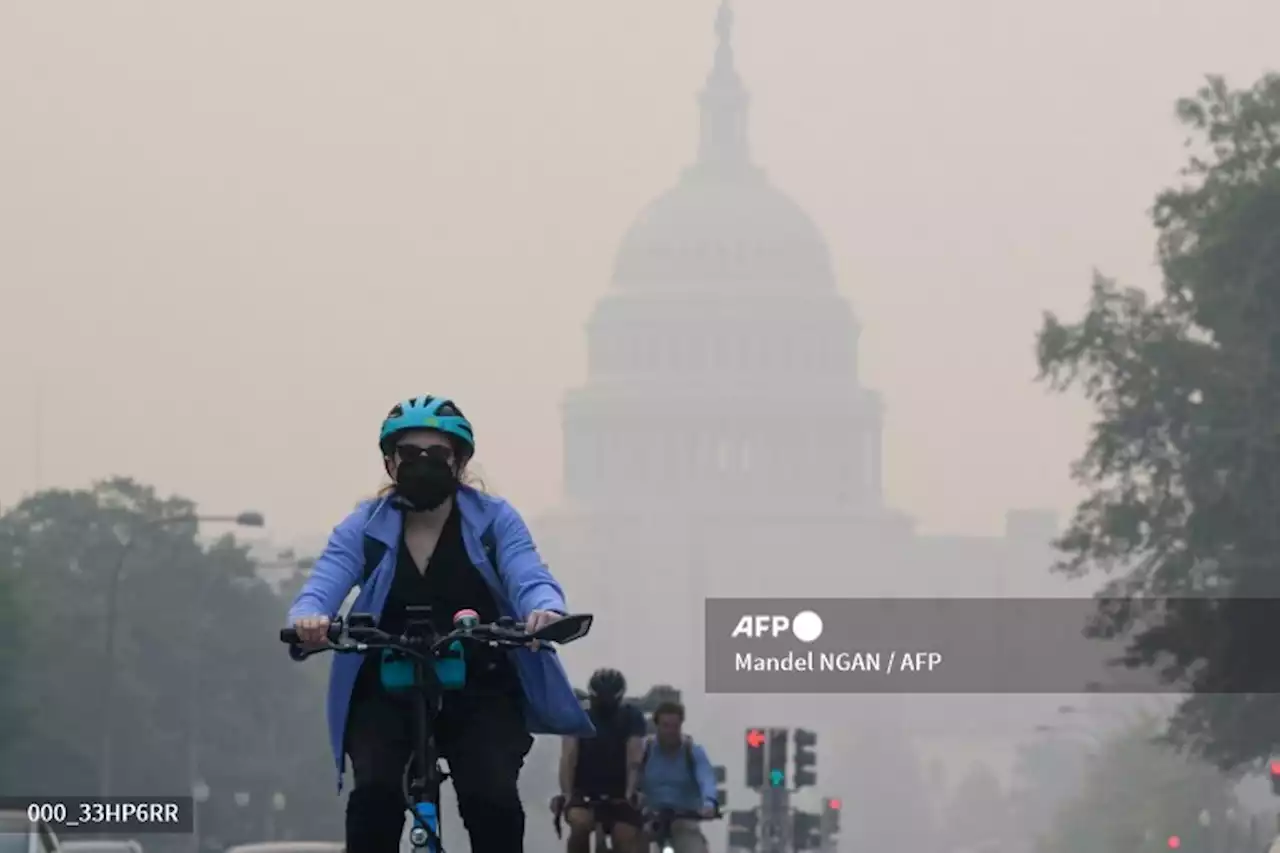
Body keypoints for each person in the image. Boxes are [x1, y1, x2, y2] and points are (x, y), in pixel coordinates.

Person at [287, 395, 594, 853]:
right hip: (386, 683)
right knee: (373, 796)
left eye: (437, 456)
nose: (422, 466)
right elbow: (323, 584)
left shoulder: (495, 520)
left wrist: (543, 609)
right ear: (390, 463)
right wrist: (308, 619)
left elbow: (528, 574)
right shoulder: (363, 525)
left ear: (460, 461)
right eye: (409, 455)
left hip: (480, 683)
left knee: (490, 798)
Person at [553, 668, 647, 852]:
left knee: (625, 838)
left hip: (620, 793)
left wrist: (630, 792)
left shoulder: (632, 716)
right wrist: (567, 794)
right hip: (584, 791)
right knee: (580, 826)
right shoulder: (579, 714)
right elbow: (568, 757)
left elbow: (634, 759)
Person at [636, 701, 718, 853]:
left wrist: (709, 803)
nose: (670, 731)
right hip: (650, 820)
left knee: (696, 848)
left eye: (675, 726)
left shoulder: (692, 751)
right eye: (665, 726)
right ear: (656, 726)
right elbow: (631, 774)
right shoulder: (644, 750)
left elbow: (706, 778)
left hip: (684, 819)